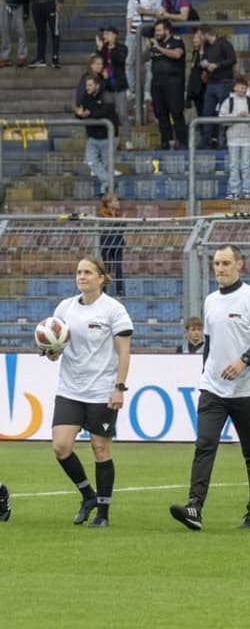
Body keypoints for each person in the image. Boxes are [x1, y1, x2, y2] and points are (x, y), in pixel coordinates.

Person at [170, 245, 250, 531]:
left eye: (226, 263)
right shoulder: (211, 300)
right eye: (216, 263)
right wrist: (205, 375)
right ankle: (194, 507)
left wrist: (243, 362)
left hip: (247, 389)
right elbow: (210, 344)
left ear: (240, 264)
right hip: (213, 389)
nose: (220, 268)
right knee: (204, 445)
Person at [48, 256, 133, 528]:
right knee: (61, 446)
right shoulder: (65, 308)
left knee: (100, 449)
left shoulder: (113, 310)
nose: (81, 276)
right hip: (70, 388)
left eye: (87, 272)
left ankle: (103, 514)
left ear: (101, 278)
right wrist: (51, 351)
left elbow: (124, 351)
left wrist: (119, 388)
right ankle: (88, 495)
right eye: (78, 272)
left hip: (101, 390)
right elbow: (56, 346)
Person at [75, 74, 119, 198]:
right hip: (93, 136)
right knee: (90, 160)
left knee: (107, 164)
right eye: (86, 85)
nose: (87, 88)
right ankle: (109, 183)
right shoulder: (85, 97)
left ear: (97, 86)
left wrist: (89, 114)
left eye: (90, 85)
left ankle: (105, 191)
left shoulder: (107, 95)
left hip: (108, 136)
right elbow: (81, 112)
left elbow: (104, 112)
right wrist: (79, 114)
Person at [148, 19, 187, 152]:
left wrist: (159, 48)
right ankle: (166, 141)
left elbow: (177, 54)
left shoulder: (177, 40)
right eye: (155, 30)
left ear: (167, 30)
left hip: (173, 83)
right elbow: (147, 58)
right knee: (160, 113)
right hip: (157, 83)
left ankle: (182, 142)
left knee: (176, 113)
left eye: (159, 30)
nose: (156, 33)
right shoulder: (155, 43)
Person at [123, 0, 162, 101]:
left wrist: (146, 12)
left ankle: (147, 91)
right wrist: (128, 33)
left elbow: (159, 14)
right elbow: (129, 15)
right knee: (128, 61)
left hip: (148, 30)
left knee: (148, 62)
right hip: (134, 31)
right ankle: (132, 89)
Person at [198, 25, 237, 149]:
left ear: (205, 34)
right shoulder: (207, 47)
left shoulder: (224, 43)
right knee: (207, 112)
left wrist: (217, 65)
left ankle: (224, 141)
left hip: (224, 82)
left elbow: (232, 59)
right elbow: (203, 61)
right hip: (211, 82)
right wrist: (204, 64)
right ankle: (207, 141)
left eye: (200, 35)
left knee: (224, 112)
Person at [219, 76, 250, 200]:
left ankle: (247, 191)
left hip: (247, 138)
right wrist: (236, 117)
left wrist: (248, 118)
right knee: (234, 164)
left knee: (245, 165)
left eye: (245, 88)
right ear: (235, 87)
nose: (242, 90)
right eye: (240, 87)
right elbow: (222, 119)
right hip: (233, 138)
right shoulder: (228, 101)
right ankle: (234, 191)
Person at [98, 193, 125, 298]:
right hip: (107, 244)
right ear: (109, 203)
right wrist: (118, 223)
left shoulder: (118, 214)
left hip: (118, 243)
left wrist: (121, 222)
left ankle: (120, 291)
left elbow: (121, 229)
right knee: (106, 268)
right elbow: (105, 228)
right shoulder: (102, 214)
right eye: (115, 200)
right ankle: (103, 292)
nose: (118, 203)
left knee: (118, 268)